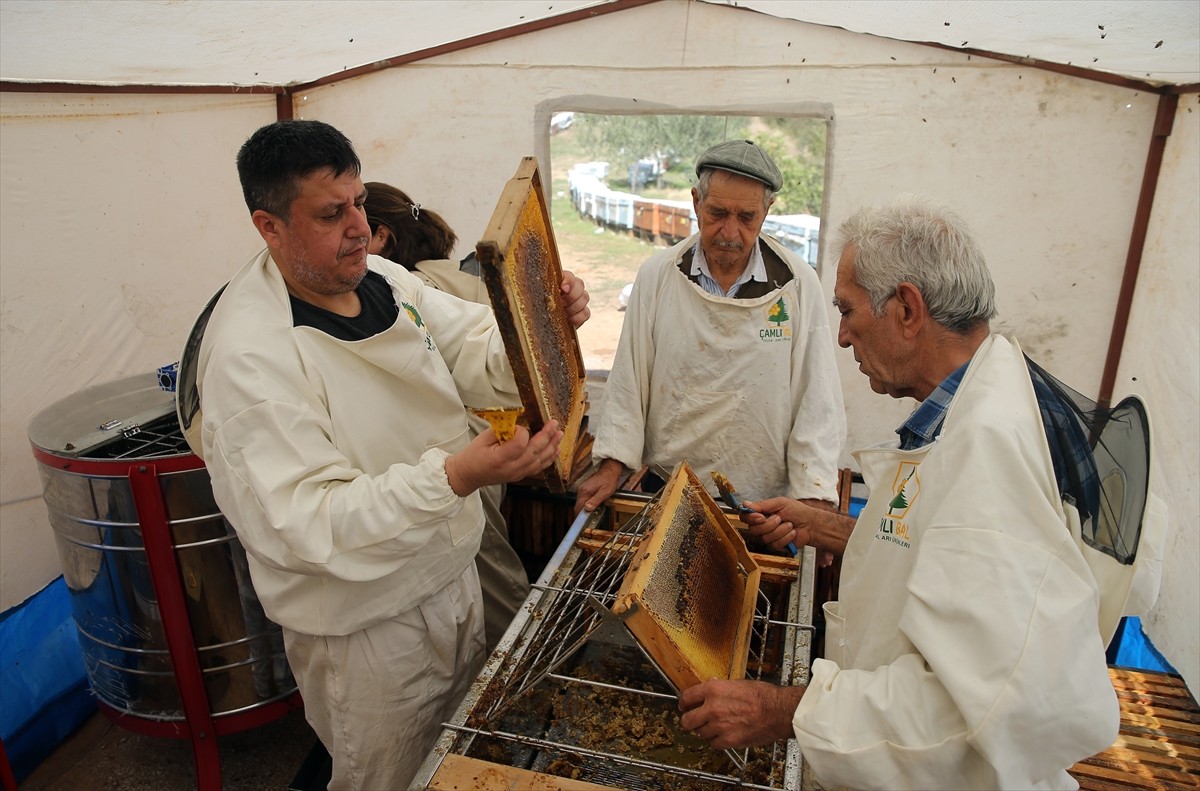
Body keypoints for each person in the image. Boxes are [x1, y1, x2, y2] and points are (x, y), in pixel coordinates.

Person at [182, 119, 590, 790]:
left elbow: (475, 350)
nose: (358, 227)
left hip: (449, 581)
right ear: (269, 226)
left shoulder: (387, 281)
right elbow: (308, 524)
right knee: (387, 777)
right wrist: (456, 475)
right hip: (368, 634)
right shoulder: (250, 359)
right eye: (330, 213)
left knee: (450, 764)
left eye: (359, 203)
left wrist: (538, 316)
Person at [678, 196, 1122, 789]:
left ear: (907, 309)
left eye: (848, 310)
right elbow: (958, 560)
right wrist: (842, 531)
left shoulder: (990, 455)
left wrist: (783, 711)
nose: (839, 337)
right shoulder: (985, 394)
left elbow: (974, 713)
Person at [574, 139, 846, 524]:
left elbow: (816, 393)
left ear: (766, 212)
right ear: (696, 202)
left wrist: (814, 492)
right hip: (666, 487)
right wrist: (612, 464)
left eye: (746, 217)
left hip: (762, 504)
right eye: (717, 212)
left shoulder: (797, 284)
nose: (729, 232)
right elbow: (629, 379)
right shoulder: (659, 274)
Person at [363, 180, 529, 653]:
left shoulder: (413, 287)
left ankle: (515, 668)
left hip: (463, 454)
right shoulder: (465, 272)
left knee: (485, 568)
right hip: (494, 440)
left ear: (381, 237)